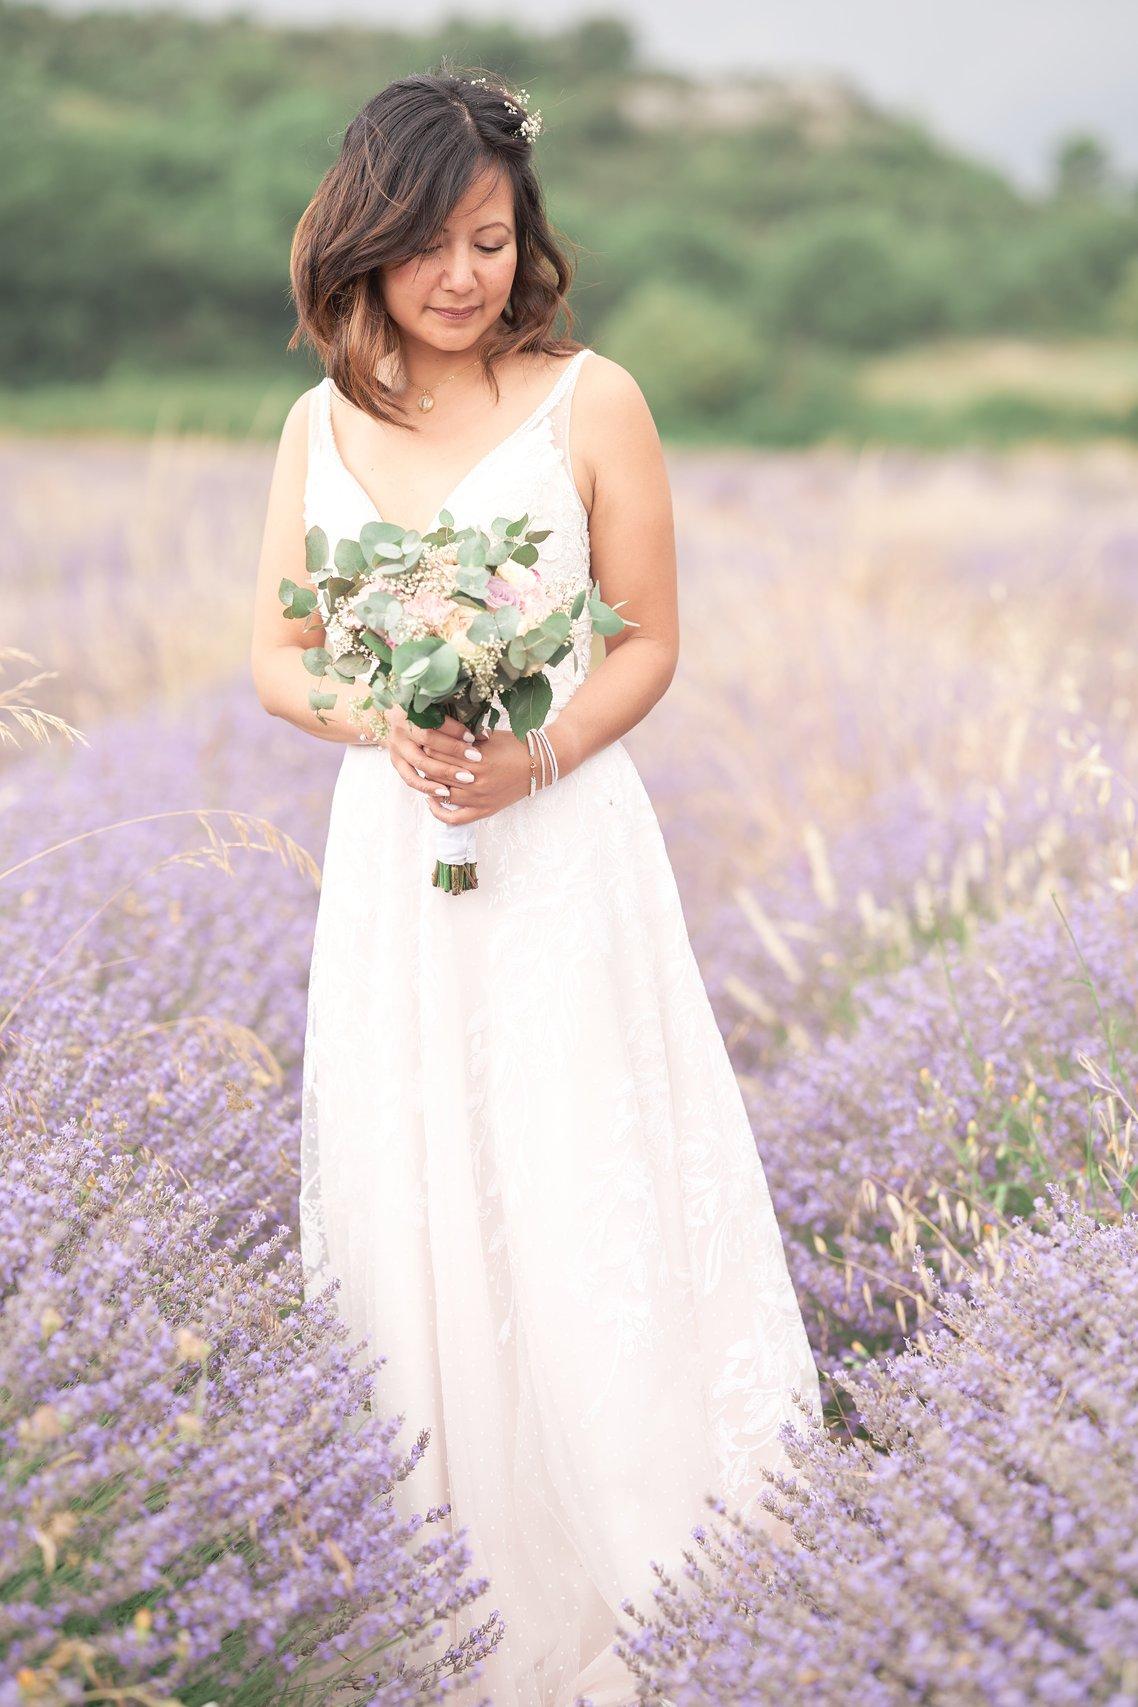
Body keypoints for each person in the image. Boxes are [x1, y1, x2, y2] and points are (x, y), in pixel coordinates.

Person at [250, 65, 821, 1707]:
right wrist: (392, 720)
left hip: (559, 844)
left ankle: (670, 1584)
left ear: (526, 241)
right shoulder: (319, 423)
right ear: (364, 243)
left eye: (490, 240)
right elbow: (283, 658)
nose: (460, 276)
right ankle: (447, 1599)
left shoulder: (595, 399)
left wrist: (533, 757)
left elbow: (646, 635)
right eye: (429, 243)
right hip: (396, 852)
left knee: (583, 1175)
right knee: (414, 1187)